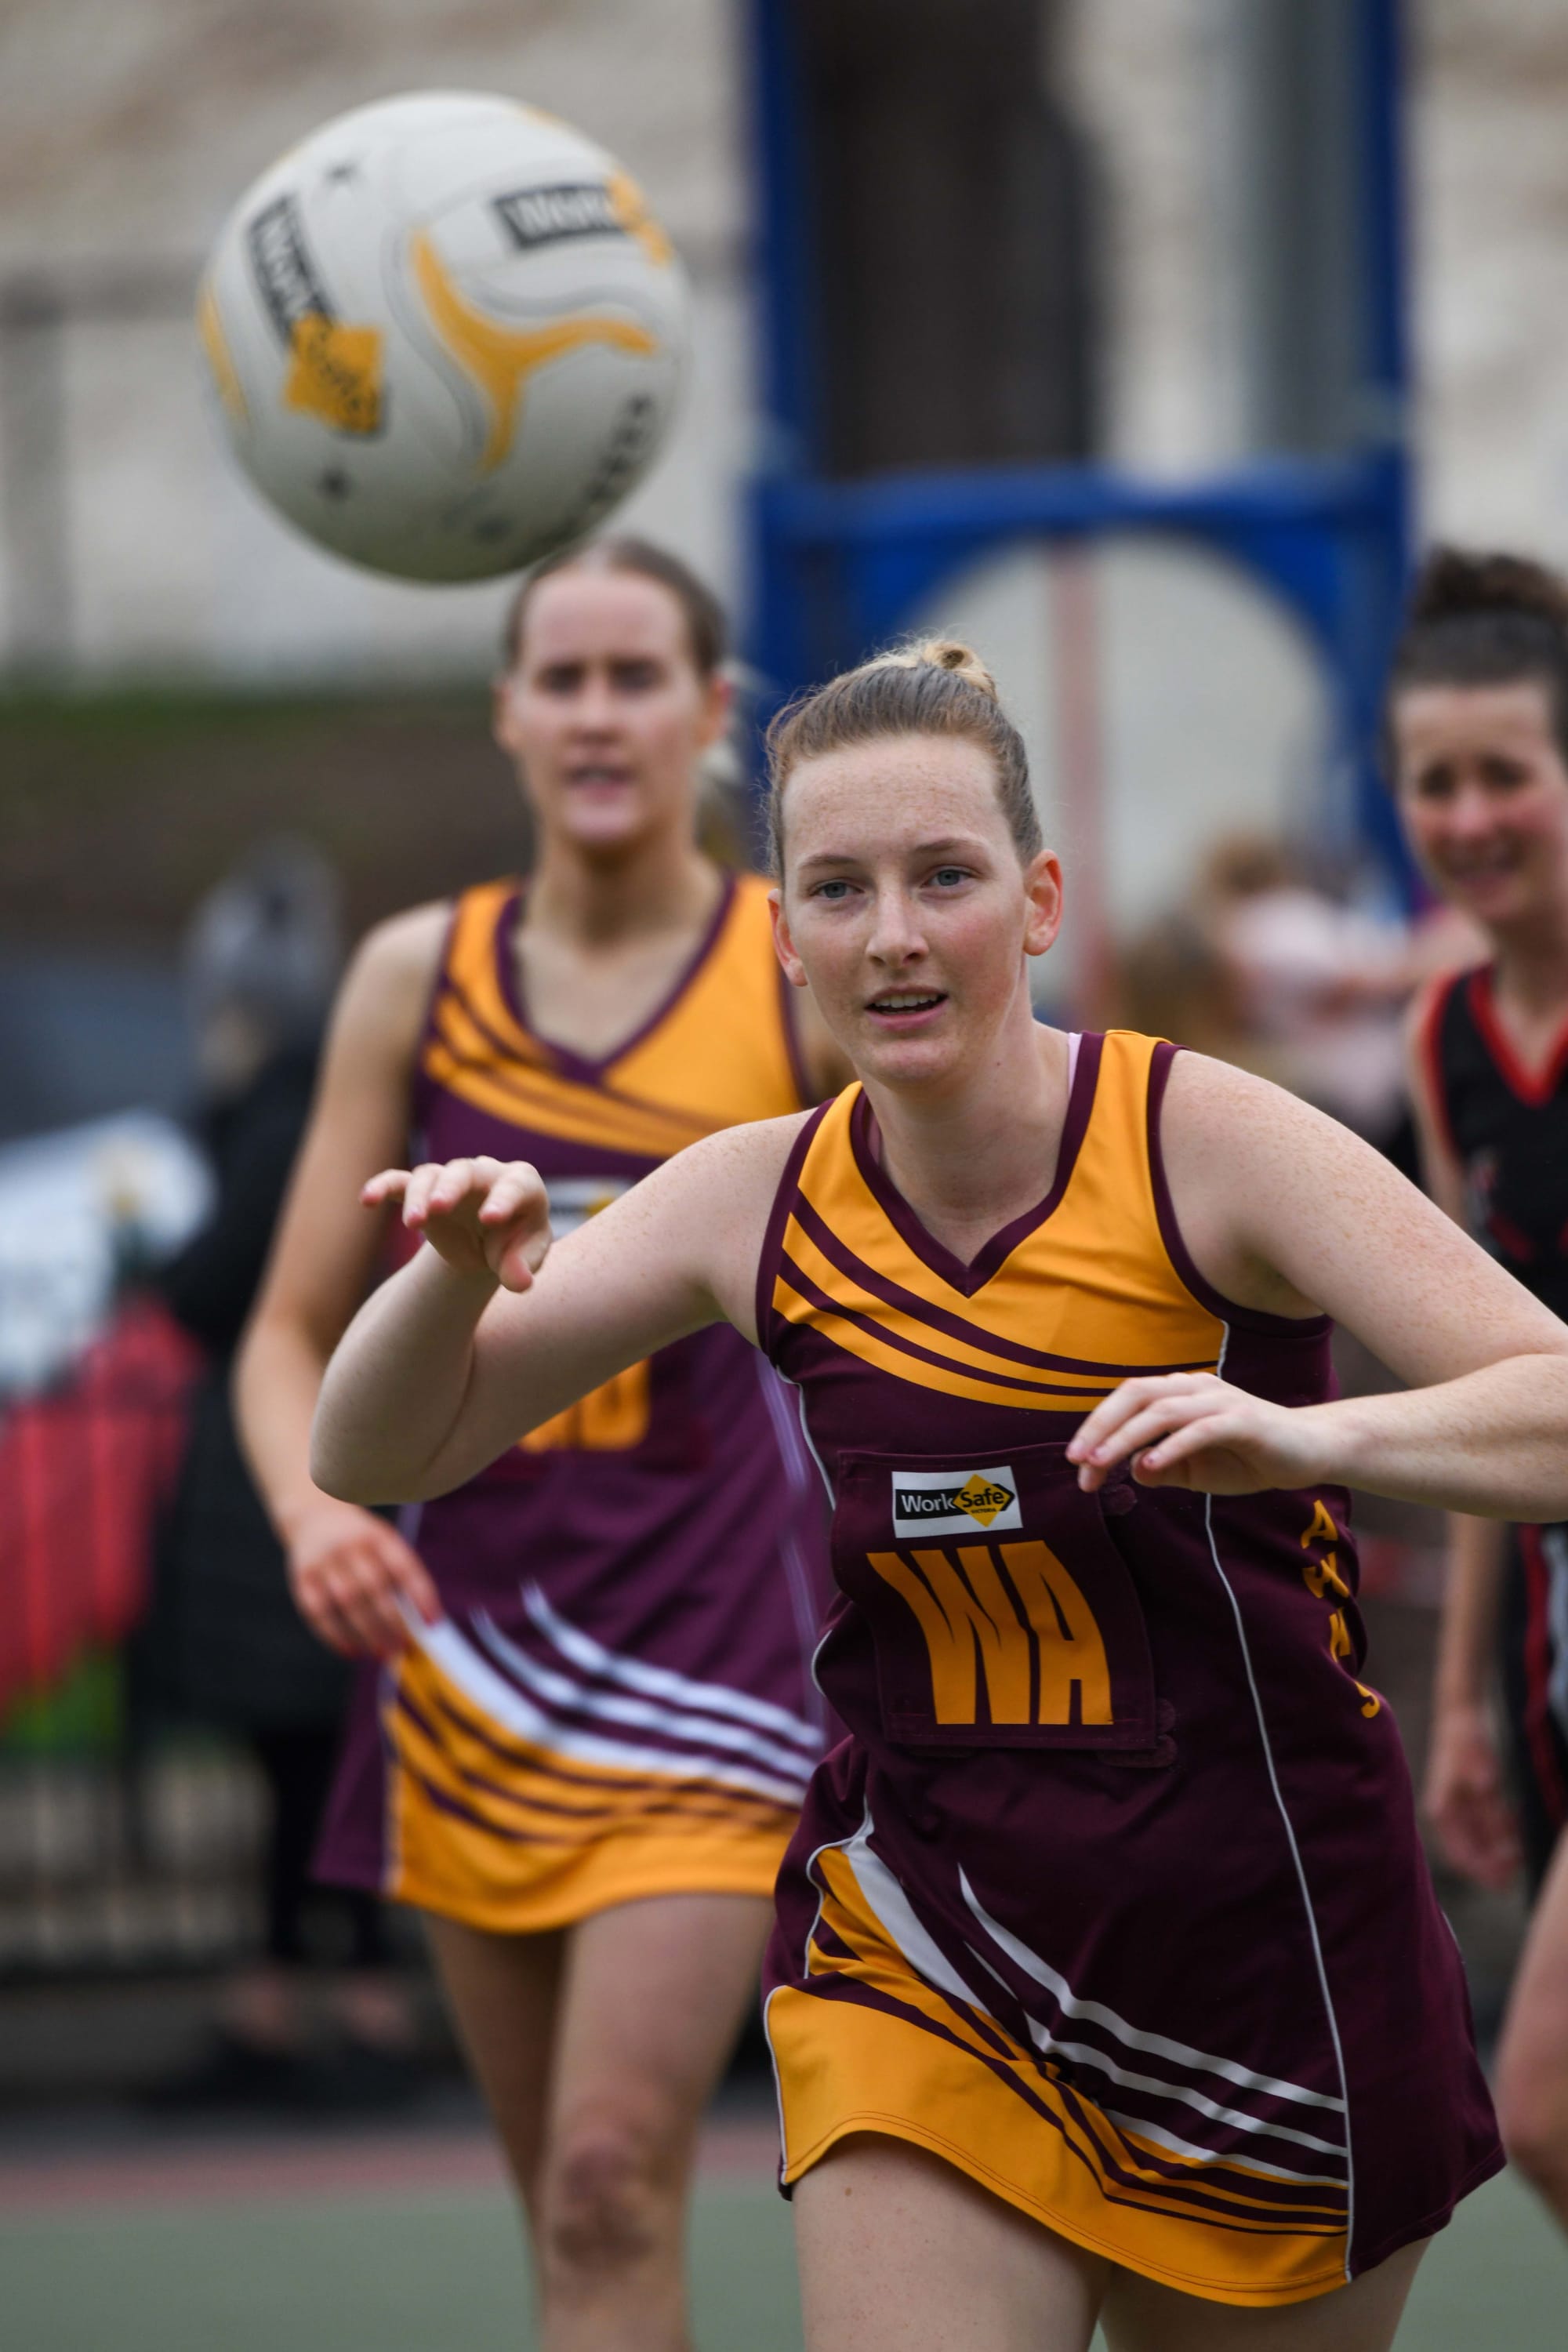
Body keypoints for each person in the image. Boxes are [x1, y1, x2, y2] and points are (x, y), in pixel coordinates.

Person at [306, 637, 1568, 2350]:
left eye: (942, 878)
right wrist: (449, 1270)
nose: (890, 934)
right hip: (928, 1944)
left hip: (1261, 1959)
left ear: (1038, 900)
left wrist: (1316, 1442)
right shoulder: (754, 1199)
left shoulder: (1201, 1145)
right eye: (837, 888)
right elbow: (376, 1452)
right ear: (783, 933)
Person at [235, 539, 843, 2349]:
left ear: (711, 712)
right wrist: (306, 1515)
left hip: (713, 1648)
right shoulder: (415, 973)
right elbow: (283, 1331)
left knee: (605, 2174)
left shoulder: (786, 962)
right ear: (507, 710)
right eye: (559, 676)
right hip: (466, 1653)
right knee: (565, 2227)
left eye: (634, 674)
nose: (596, 712)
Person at [136, 841, 415, 2108]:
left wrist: (156, 1260)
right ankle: (319, 1993)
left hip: (276, 1477)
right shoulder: (317, 1101)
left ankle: (341, 2002)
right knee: (319, 1747)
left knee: (313, 1746)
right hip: (306, 1455)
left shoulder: (280, 1110)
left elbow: (229, 1283)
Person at [1390, 546, 1568, 2230]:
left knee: (1548, 2106)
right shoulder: (1445, 1035)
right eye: (1430, 781)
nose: (1466, 814)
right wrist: (1455, 1698)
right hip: (1538, 1622)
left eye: (1504, 772)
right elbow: (1479, 1392)